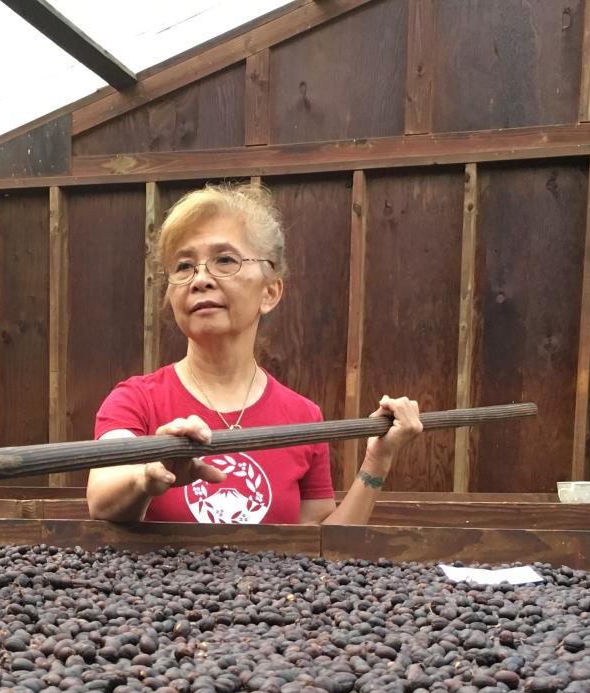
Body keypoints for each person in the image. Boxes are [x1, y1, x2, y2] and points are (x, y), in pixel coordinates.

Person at [86, 181, 422, 525]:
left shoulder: (303, 418)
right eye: (184, 266)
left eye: (225, 260)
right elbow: (101, 496)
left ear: (270, 292)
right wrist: (146, 476)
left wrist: (377, 461)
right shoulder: (135, 401)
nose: (200, 279)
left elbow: (322, 548)